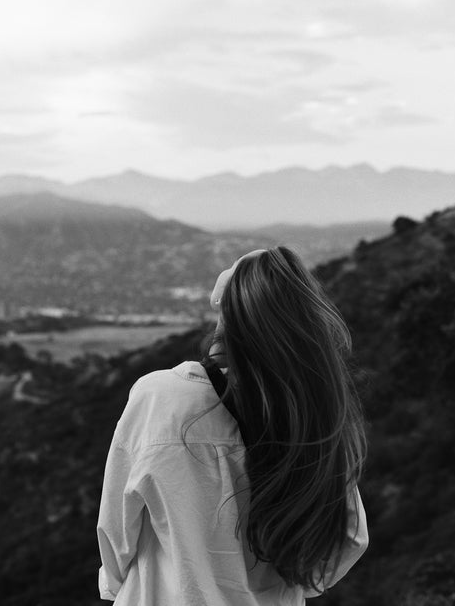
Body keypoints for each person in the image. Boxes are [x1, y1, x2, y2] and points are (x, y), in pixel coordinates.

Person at [97, 246, 368, 605]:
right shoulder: (317, 417)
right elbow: (349, 539)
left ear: (224, 313)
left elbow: (117, 533)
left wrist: (118, 587)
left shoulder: (160, 399)